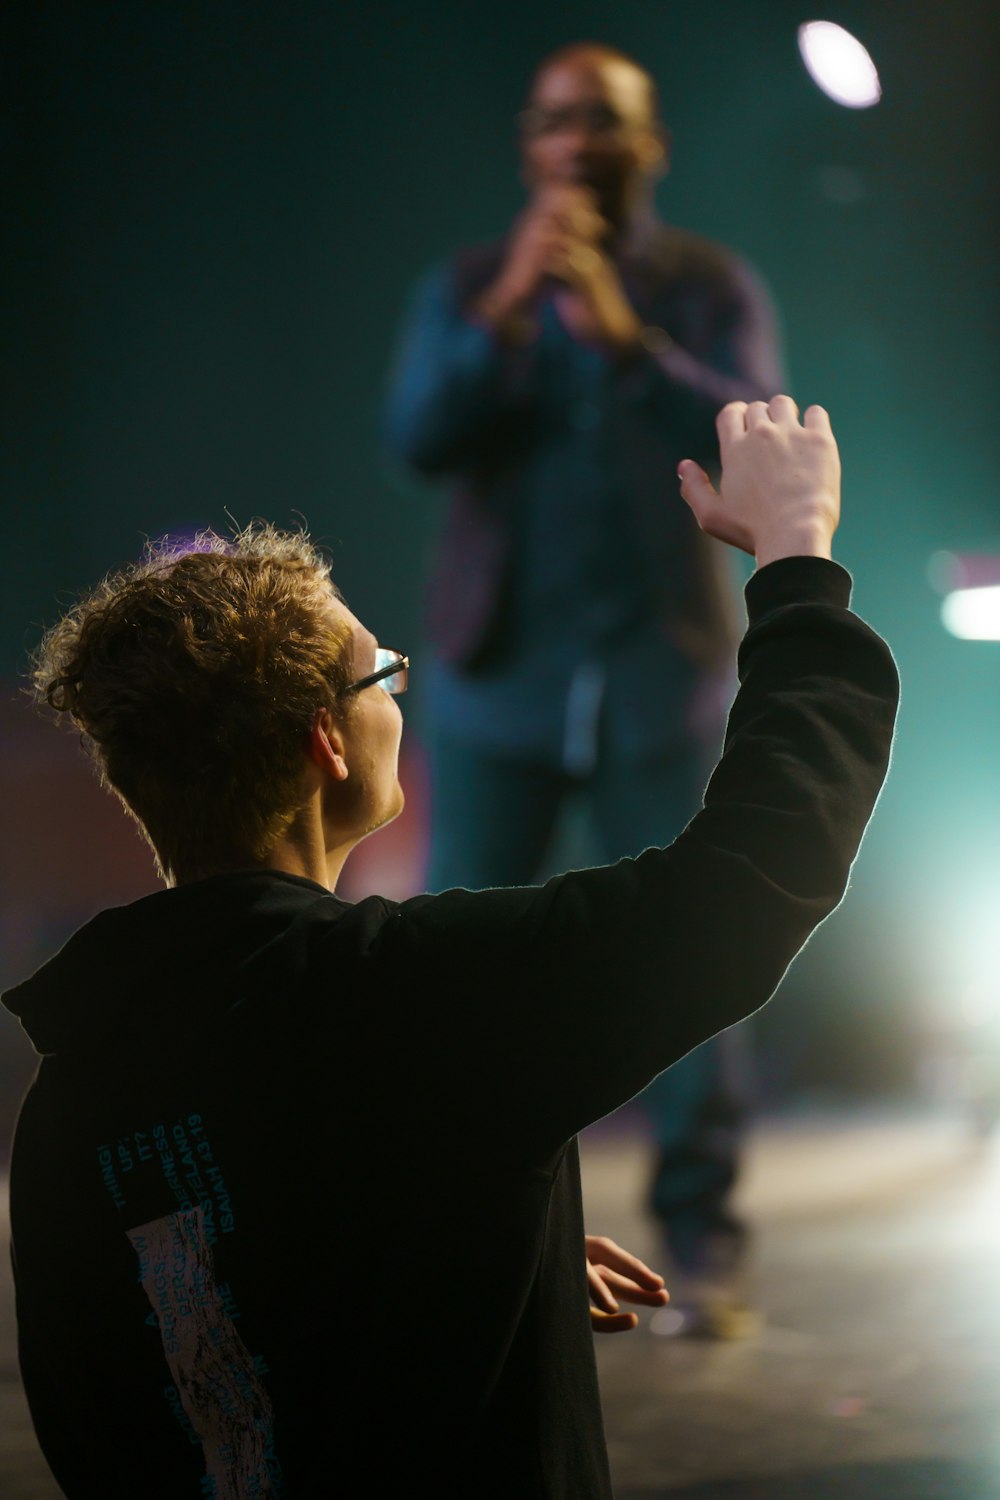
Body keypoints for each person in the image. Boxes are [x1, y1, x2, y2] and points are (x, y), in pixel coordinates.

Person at [4, 396, 898, 1499]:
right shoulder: (435, 999)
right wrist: (797, 555)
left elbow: (149, 1366)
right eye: (382, 672)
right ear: (326, 741)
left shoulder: (71, 1095)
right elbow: (760, 865)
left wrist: (443, 1234)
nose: (404, 686)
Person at [382, 41, 787, 1332]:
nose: (577, 144)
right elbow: (415, 435)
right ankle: (451, 1227)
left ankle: (699, 1240)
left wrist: (626, 344)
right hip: (498, 678)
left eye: (602, 123)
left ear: (648, 144)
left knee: (683, 952)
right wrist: (508, 300)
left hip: (655, 672)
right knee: (458, 963)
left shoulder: (704, 287)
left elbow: (752, 432)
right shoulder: (464, 287)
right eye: (556, 122)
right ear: (529, 148)